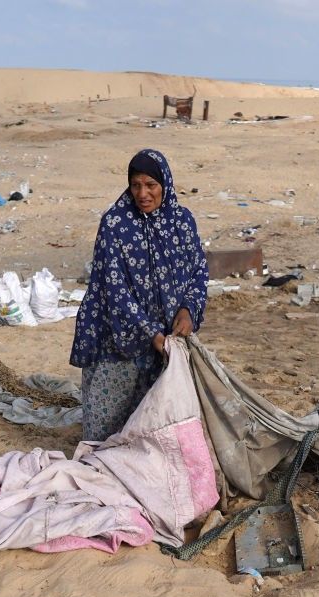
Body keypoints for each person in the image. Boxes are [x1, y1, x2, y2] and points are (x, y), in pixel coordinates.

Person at [70, 149, 209, 441]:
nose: (142, 193)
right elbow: (114, 287)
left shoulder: (182, 222)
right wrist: (150, 333)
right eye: (135, 185)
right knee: (104, 432)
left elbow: (198, 271)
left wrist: (188, 310)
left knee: (156, 427)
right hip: (117, 334)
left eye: (150, 185)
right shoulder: (115, 224)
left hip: (167, 337)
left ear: (165, 185)